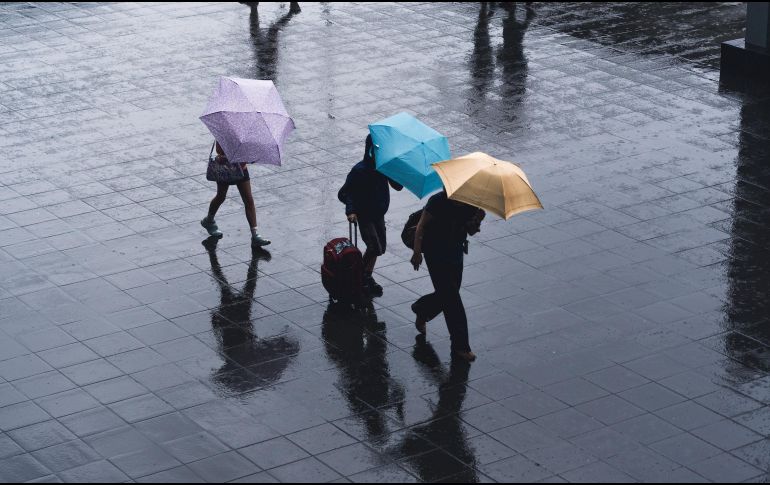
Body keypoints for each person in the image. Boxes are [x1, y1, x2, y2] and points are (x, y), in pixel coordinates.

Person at [410, 190, 485, 362]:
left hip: (455, 254)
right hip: (435, 254)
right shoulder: (437, 201)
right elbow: (421, 226)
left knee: (449, 294)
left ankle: (422, 309)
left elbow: (471, 231)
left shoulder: (470, 203)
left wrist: (478, 220)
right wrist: (417, 251)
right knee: (453, 300)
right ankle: (461, 346)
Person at [339, 134, 403, 295]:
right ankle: (359, 276)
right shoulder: (359, 171)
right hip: (365, 215)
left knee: (380, 248)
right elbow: (346, 193)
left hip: (379, 213)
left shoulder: (384, 168)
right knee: (374, 247)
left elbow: (398, 186)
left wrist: (394, 170)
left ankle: (366, 275)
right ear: (370, 150)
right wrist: (351, 211)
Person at [201, 141, 271, 247]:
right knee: (221, 196)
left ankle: (255, 234)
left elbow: (249, 152)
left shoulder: (246, 135)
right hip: (225, 168)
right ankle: (209, 220)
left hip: (242, 169)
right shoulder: (225, 132)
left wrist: (250, 156)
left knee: (248, 200)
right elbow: (219, 149)